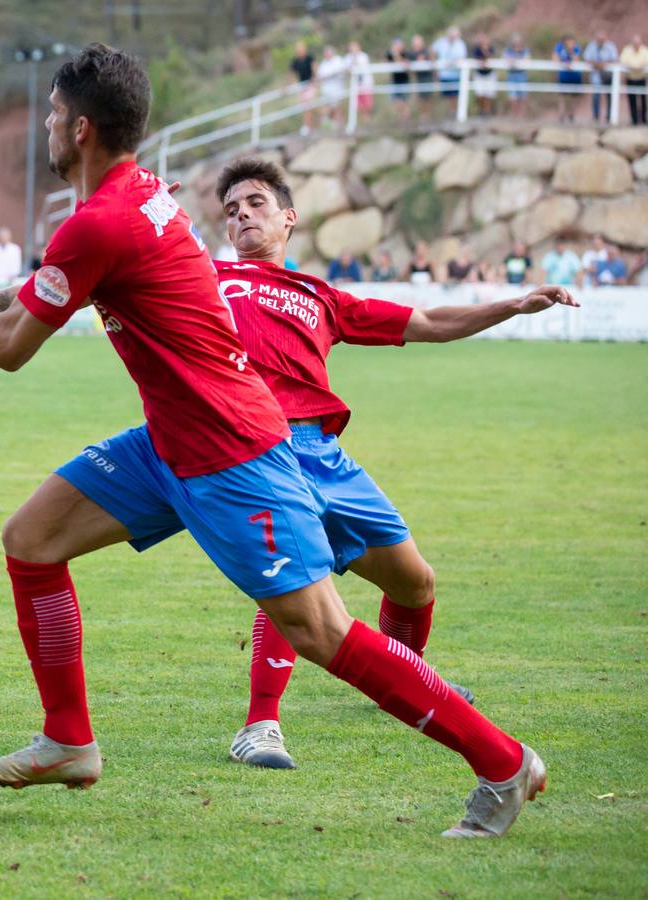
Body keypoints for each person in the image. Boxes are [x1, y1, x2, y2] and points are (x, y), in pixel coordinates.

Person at [0, 43, 545, 838]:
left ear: (83, 127)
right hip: (169, 442)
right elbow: (34, 292)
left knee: (321, 632)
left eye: (56, 116)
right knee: (31, 540)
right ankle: (69, 740)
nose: (49, 129)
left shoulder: (100, 220)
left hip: (233, 453)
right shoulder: (136, 198)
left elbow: (9, 347)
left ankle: (504, 762)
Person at [208, 157, 576, 770]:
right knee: (294, 581)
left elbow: (428, 322)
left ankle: (406, 685)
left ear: (288, 217)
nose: (241, 214)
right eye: (230, 210)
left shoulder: (320, 297)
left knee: (415, 583)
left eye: (255, 203)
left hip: (324, 454)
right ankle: (260, 725)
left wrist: (510, 306)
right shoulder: (207, 278)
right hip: (258, 448)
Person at [583, 30, 619, 122]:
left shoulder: (610, 46)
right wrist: (596, 64)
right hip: (596, 75)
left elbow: (615, 59)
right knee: (596, 96)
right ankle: (596, 117)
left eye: (602, 39)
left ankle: (609, 117)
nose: (601, 41)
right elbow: (586, 57)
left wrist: (604, 64)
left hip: (608, 75)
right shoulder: (592, 46)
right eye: (599, 39)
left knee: (609, 95)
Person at [316, 46, 348, 128]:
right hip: (326, 92)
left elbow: (343, 72)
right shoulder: (323, 63)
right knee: (330, 109)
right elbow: (320, 77)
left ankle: (340, 127)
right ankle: (332, 126)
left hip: (337, 90)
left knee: (336, 109)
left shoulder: (338, 60)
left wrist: (329, 76)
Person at [554, 35, 584, 122]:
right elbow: (555, 58)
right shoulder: (559, 47)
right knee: (562, 96)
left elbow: (576, 60)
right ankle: (561, 116)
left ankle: (572, 115)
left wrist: (570, 52)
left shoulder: (576, 47)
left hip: (575, 76)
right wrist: (564, 63)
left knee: (574, 96)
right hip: (563, 76)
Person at [433, 27, 467, 104]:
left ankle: (454, 112)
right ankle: (449, 113)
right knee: (446, 95)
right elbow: (432, 50)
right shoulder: (441, 42)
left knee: (455, 94)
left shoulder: (460, 44)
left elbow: (461, 57)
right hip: (444, 74)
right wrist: (435, 63)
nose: (452, 35)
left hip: (456, 74)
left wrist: (452, 63)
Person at [289, 41, 317, 135]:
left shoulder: (310, 58)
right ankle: (307, 126)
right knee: (305, 107)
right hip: (302, 86)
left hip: (310, 85)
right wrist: (286, 86)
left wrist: (314, 80)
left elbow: (314, 69)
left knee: (309, 106)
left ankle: (308, 126)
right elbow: (291, 74)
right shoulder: (295, 61)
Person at [503, 34, 532, 118]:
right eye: (515, 42)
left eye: (518, 42)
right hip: (512, 75)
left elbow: (527, 60)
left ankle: (522, 116)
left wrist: (515, 61)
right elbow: (506, 59)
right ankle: (513, 116)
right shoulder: (508, 50)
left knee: (523, 97)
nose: (517, 44)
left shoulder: (525, 51)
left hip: (522, 75)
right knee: (513, 98)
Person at [623, 35, 648, 126]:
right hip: (631, 78)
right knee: (632, 99)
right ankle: (634, 120)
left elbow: (646, 62)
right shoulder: (627, 50)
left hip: (641, 78)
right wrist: (634, 67)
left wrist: (637, 67)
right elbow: (623, 61)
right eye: (635, 43)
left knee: (643, 99)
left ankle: (644, 119)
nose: (636, 45)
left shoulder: (645, 51)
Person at [386, 37, 413, 120]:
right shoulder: (390, 54)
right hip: (395, 80)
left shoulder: (406, 53)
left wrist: (397, 55)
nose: (397, 46)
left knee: (404, 101)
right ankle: (402, 118)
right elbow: (385, 63)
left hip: (404, 80)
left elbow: (406, 65)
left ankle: (406, 119)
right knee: (396, 102)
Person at [410, 34, 435, 119]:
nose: (416, 45)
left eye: (418, 43)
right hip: (419, 78)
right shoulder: (412, 54)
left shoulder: (427, 51)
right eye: (415, 44)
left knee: (428, 97)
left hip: (427, 77)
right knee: (420, 98)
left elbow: (432, 62)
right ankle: (423, 116)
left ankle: (428, 115)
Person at [471, 35, 498, 117]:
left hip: (489, 74)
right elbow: (476, 58)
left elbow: (491, 57)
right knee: (479, 94)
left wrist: (485, 50)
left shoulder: (491, 48)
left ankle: (486, 112)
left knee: (488, 94)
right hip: (479, 74)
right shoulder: (476, 49)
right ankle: (481, 110)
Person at [346, 41, 373, 116]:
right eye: (351, 47)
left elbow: (359, 66)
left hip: (365, 83)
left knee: (367, 103)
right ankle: (363, 119)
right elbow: (348, 70)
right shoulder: (348, 57)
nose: (353, 49)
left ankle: (367, 118)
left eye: (354, 47)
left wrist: (354, 58)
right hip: (355, 84)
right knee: (357, 105)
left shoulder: (363, 56)